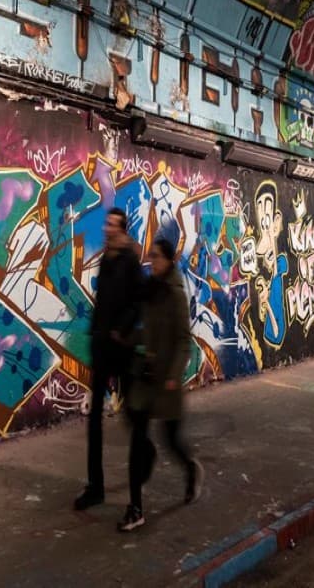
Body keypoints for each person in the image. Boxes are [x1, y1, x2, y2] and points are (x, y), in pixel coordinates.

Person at [118, 238, 204, 532]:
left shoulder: (175, 294)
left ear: (168, 260)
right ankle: (135, 509)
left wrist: (174, 375)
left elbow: (184, 341)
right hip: (145, 378)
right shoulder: (150, 289)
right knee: (137, 441)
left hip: (166, 381)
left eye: (156, 257)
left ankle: (190, 468)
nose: (151, 261)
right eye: (151, 256)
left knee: (172, 441)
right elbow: (145, 330)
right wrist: (126, 338)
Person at [74, 207, 144, 511]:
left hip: (122, 348)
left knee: (131, 416)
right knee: (94, 421)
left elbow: (137, 303)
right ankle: (95, 487)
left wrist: (120, 330)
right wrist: (97, 335)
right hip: (103, 347)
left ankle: (144, 461)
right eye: (107, 224)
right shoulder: (106, 259)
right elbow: (102, 303)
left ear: (122, 229)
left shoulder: (129, 261)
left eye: (113, 225)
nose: (107, 228)